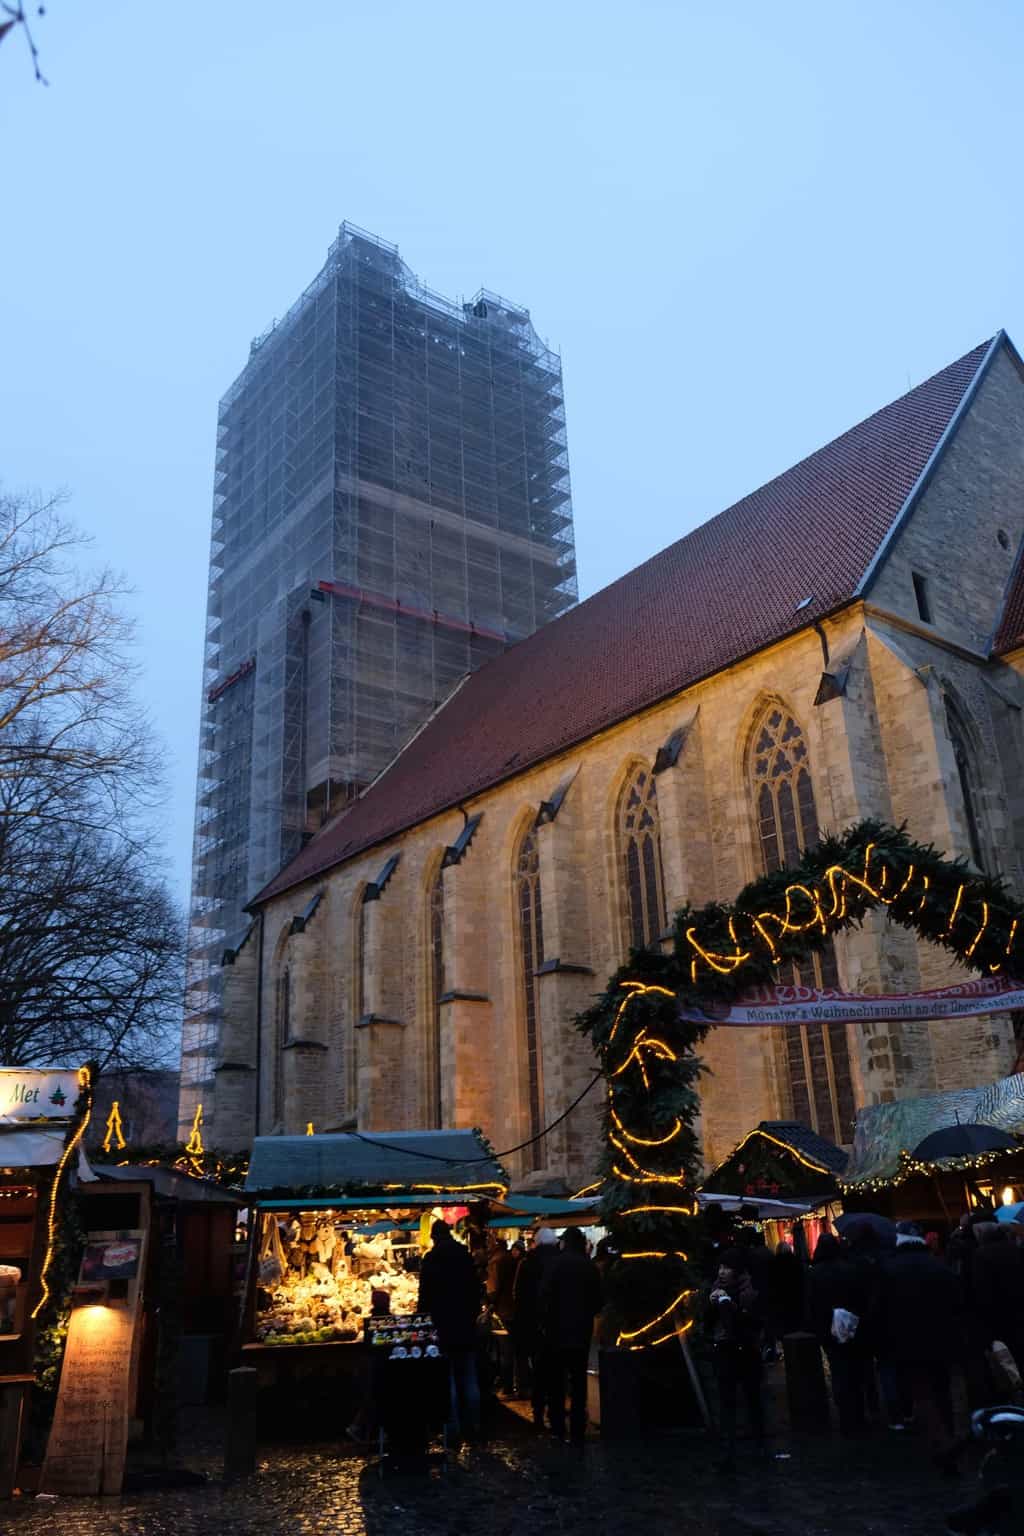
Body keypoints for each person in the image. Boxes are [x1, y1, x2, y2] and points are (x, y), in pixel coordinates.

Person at [876, 1220, 961, 1471]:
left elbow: (879, 1309)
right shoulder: (939, 1266)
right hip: (940, 1339)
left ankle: (940, 1441)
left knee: (920, 1390)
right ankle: (948, 1432)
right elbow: (956, 1303)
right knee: (942, 1388)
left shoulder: (889, 1269)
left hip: (905, 1341)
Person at [417, 1220, 483, 1439]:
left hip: (442, 1327)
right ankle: (474, 1425)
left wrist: (424, 1319)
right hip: (466, 1325)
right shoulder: (465, 1257)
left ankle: (452, 1428)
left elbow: (424, 1297)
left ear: (434, 1238)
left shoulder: (431, 1260)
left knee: (449, 1379)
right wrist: (472, 1314)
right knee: (470, 1377)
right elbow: (476, 1291)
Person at [539, 1227, 602, 1446]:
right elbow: (598, 1300)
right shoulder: (589, 1266)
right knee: (578, 1383)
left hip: (556, 1332)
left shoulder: (555, 1264)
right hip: (581, 1331)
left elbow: (544, 1297)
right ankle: (577, 1429)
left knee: (556, 1382)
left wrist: (547, 1322)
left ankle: (557, 1426)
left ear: (565, 1242)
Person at [705, 1249, 765, 1472]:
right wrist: (711, 1305)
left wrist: (729, 1304)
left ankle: (759, 1445)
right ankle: (728, 1449)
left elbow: (749, 1323)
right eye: (720, 1267)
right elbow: (709, 1324)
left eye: (727, 1268)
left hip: (746, 1350)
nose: (722, 1272)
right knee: (727, 1401)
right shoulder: (715, 1290)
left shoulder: (749, 1292)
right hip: (724, 1350)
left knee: (752, 1399)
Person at [806, 1233, 869, 1436]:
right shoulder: (849, 1268)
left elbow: (811, 1303)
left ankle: (846, 1416)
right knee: (854, 1369)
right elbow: (860, 1296)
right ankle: (859, 1413)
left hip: (827, 1328)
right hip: (852, 1325)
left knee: (839, 1370)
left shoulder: (815, 1273)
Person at [512, 1227, 560, 1426]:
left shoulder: (527, 1264)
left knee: (539, 1370)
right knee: (557, 1371)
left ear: (536, 1243)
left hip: (534, 1325)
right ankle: (556, 1413)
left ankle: (538, 1411)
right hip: (558, 1325)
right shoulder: (560, 1262)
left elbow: (518, 1295)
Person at [971, 1220, 1024, 1383]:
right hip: (1019, 1311)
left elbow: (982, 1291)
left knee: (1008, 1361)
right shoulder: (1016, 1250)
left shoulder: (981, 1255)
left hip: (999, 1317)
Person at [486, 1235, 518, 1396]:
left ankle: (506, 1386)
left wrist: (488, 1303)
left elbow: (493, 1289)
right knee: (512, 1349)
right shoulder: (510, 1258)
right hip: (513, 1310)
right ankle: (517, 1383)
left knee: (504, 1350)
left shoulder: (495, 1262)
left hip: (501, 1312)